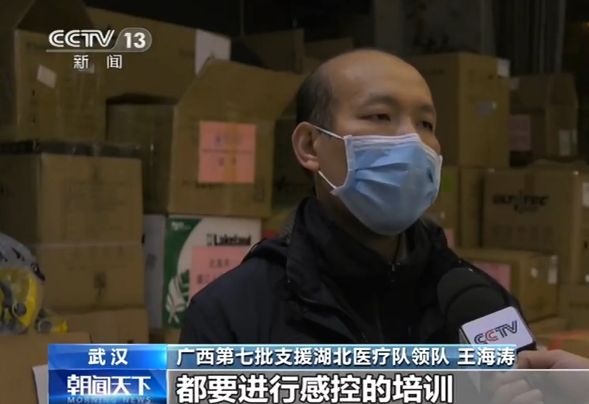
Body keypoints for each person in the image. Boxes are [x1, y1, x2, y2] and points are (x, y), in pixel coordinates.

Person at [179, 49, 521, 345]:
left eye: (426, 124)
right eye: (380, 116)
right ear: (310, 146)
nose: (413, 141)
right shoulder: (231, 315)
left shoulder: (479, 303)